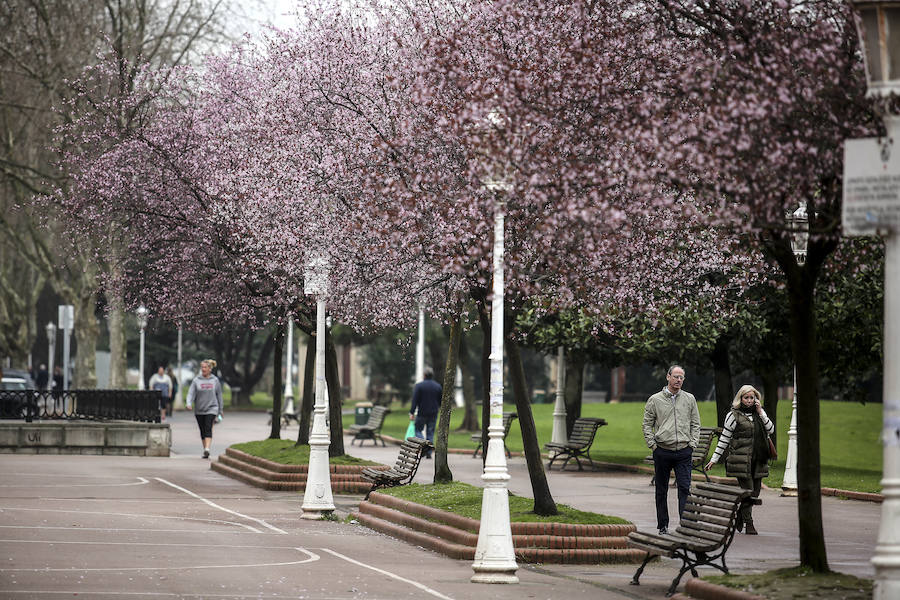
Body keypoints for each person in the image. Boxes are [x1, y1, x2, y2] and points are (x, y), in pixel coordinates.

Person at [705, 385, 774, 535]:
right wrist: (714, 459)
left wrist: (761, 412)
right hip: (740, 460)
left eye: (752, 397)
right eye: (746, 397)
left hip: (759, 459)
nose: (749, 400)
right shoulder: (733, 415)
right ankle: (749, 523)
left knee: (755, 493)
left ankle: (739, 516)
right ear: (740, 398)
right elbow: (724, 438)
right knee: (747, 491)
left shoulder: (759, 414)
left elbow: (771, 430)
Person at [642, 365, 701, 535]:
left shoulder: (689, 399)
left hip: (683, 451)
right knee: (661, 490)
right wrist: (652, 445)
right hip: (662, 451)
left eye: (681, 377)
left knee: (684, 488)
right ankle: (663, 525)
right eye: (675, 376)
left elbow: (695, 423)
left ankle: (685, 525)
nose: (678, 380)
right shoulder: (655, 399)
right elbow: (647, 424)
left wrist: (693, 444)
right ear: (668, 377)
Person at [185, 359, 223, 459]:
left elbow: (219, 395)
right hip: (199, 409)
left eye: (205, 367)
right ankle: (205, 450)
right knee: (202, 430)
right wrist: (188, 403)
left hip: (212, 408)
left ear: (210, 369)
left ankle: (207, 449)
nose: (203, 369)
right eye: (202, 367)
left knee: (208, 427)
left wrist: (220, 410)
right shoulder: (196, 380)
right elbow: (191, 393)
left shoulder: (215, 380)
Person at [409, 366, 441, 459]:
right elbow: (440, 401)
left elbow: (415, 400)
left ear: (424, 375)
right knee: (430, 432)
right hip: (433, 413)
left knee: (418, 430)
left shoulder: (419, 386)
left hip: (422, 412)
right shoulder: (437, 386)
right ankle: (429, 452)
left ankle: (423, 445)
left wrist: (411, 412)